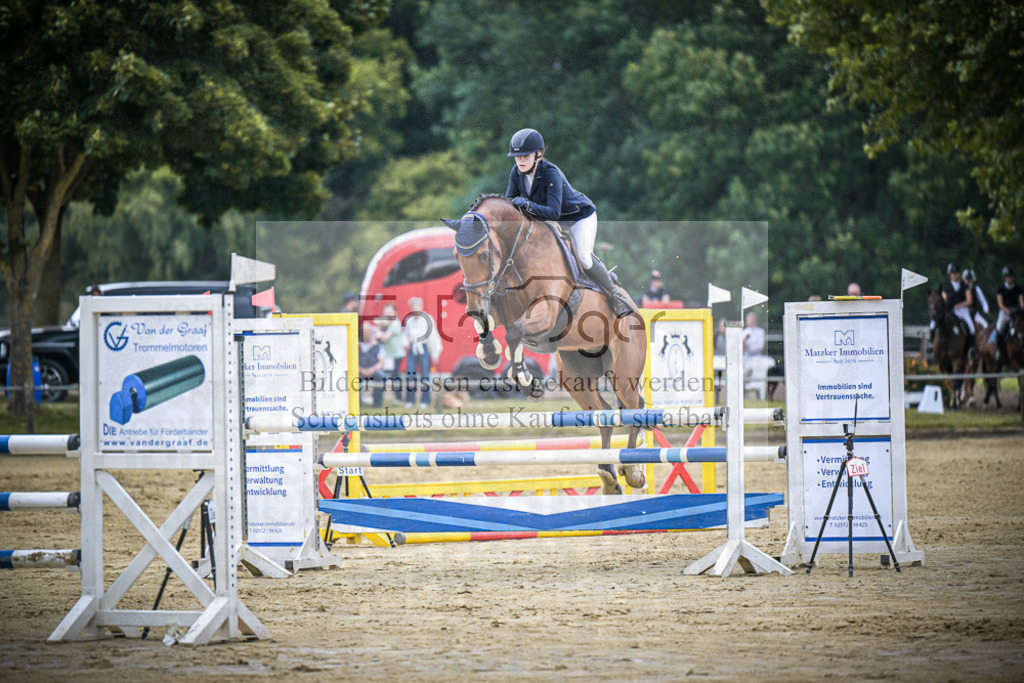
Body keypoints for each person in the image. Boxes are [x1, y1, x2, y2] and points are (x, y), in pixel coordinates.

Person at [504, 128, 633, 318]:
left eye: (525, 155)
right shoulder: (516, 173)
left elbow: (554, 212)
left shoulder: (551, 173)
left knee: (583, 257)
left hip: (578, 218)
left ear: (538, 154)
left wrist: (526, 205)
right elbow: (510, 202)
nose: (520, 160)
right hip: (551, 222)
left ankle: (614, 296)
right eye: (517, 157)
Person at [403, 297, 442, 410]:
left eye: (417, 306)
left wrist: (435, 353)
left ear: (421, 307)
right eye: (413, 307)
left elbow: (433, 337)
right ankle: (410, 400)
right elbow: (406, 335)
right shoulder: (409, 320)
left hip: (424, 348)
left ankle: (425, 400)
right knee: (410, 375)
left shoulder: (427, 319)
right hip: (413, 349)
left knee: (425, 375)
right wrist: (406, 343)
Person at [940, 262, 976, 357]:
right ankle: (934, 344)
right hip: (951, 312)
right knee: (937, 324)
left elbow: (969, 300)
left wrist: (960, 305)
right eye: (952, 273)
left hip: (963, 311)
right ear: (950, 274)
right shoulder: (946, 287)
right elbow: (944, 300)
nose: (954, 275)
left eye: (956, 273)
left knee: (971, 327)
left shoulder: (965, 286)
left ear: (959, 273)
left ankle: (971, 349)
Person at [374, 303, 406, 402]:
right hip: (387, 355)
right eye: (386, 311)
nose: (387, 313)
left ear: (394, 312)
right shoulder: (385, 323)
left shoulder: (395, 323)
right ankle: (377, 398)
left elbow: (384, 338)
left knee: (395, 377)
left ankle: (399, 398)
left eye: (390, 311)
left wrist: (378, 334)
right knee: (383, 375)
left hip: (396, 355)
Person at [992, 266, 1024, 361]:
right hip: (1004, 312)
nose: (1009, 278)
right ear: (1005, 277)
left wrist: (1021, 310)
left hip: (1016, 312)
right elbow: (1000, 304)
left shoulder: (1018, 289)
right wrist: (1008, 311)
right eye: (1007, 276)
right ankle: (1000, 351)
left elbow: (1022, 303)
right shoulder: (1001, 289)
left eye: (1011, 276)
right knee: (999, 329)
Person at [358, 320, 386, 408]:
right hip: (360, 371)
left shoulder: (377, 345)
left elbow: (381, 363)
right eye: (364, 331)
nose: (366, 333)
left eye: (368, 331)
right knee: (354, 378)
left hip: (373, 371)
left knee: (381, 376)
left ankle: (377, 404)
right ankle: (358, 405)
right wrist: (361, 370)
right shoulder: (356, 345)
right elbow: (352, 361)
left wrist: (372, 370)